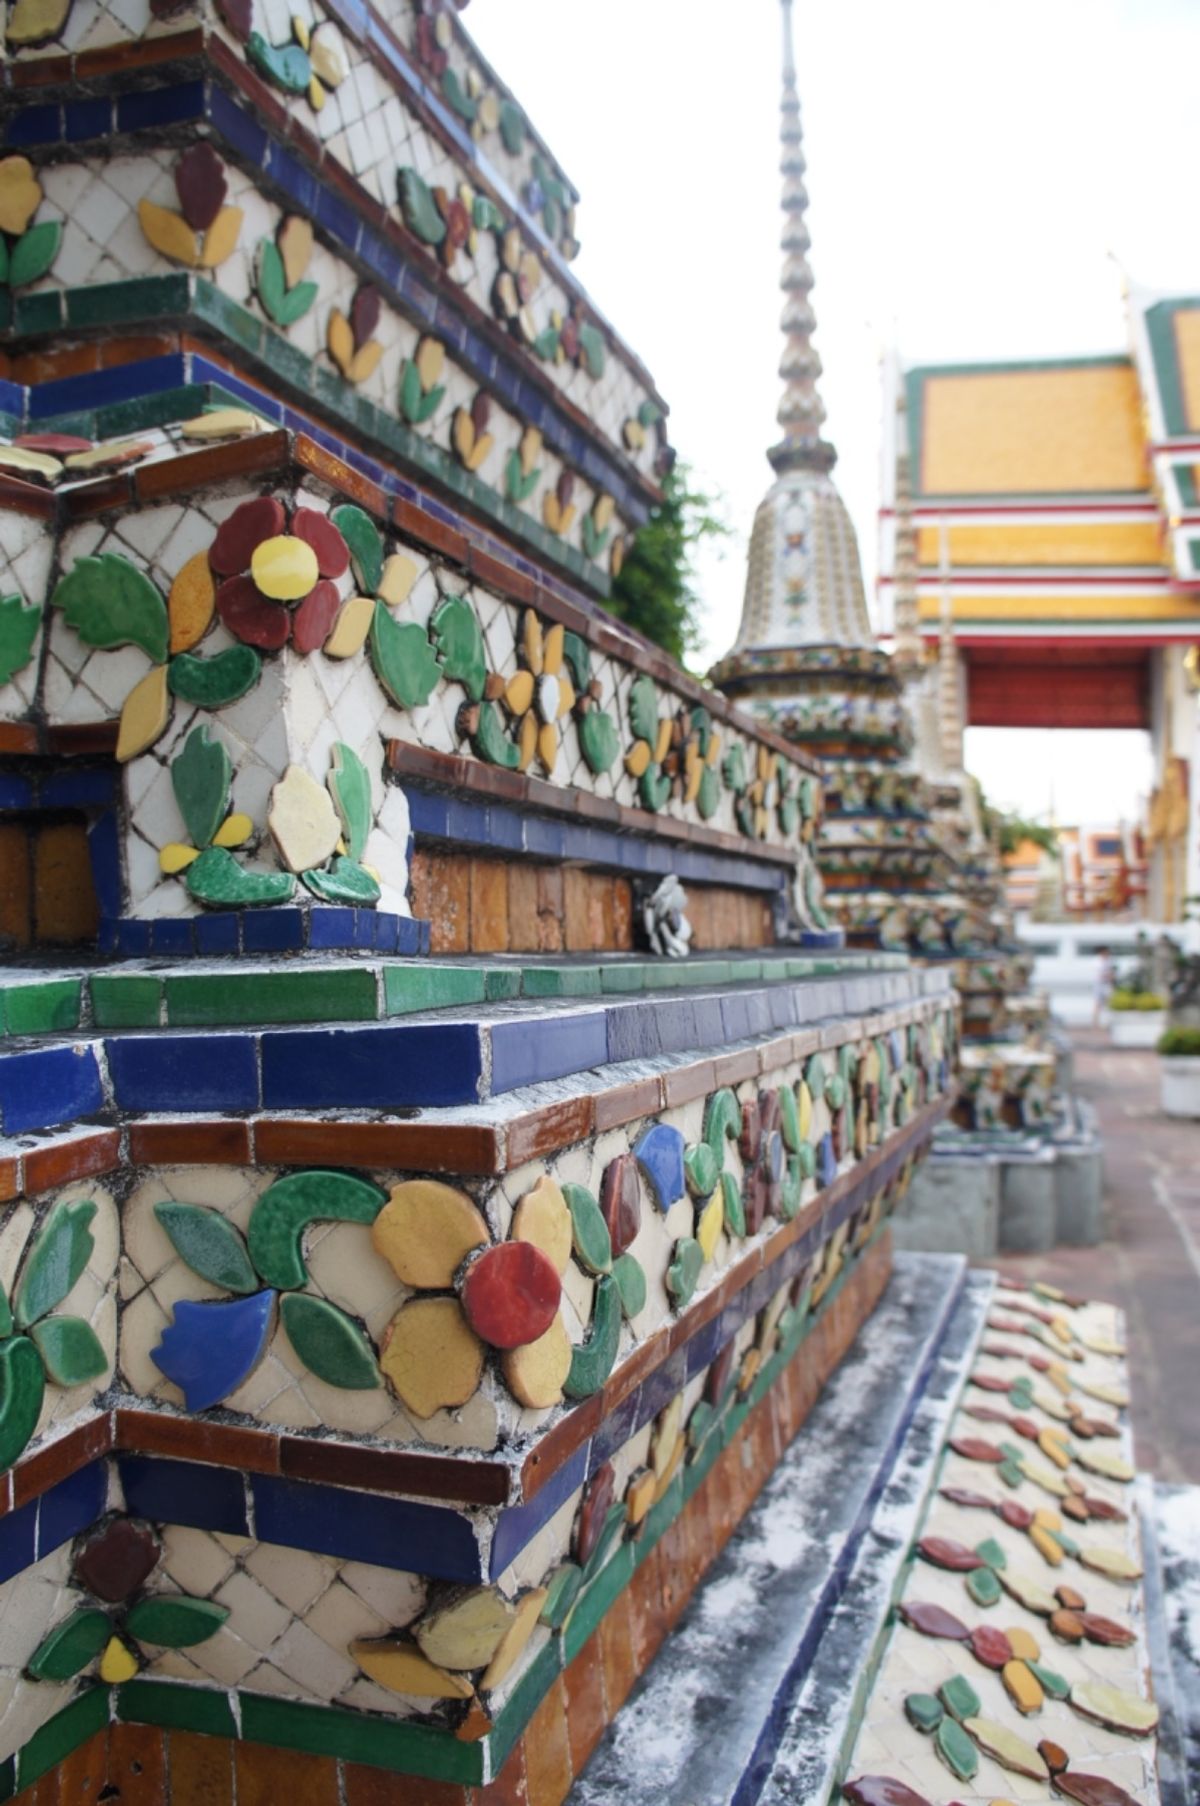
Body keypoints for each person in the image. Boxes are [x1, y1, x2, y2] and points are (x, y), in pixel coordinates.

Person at [1093, 945, 1114, 1028]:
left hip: (1106, 984)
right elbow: (1100, 974)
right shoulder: (1097, 962)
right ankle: (1096, 1023)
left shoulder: (1108, 961)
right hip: (1099, 984)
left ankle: (1107, 1021)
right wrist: (1109, 976)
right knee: (1098, 1003)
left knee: (1109, 1003)